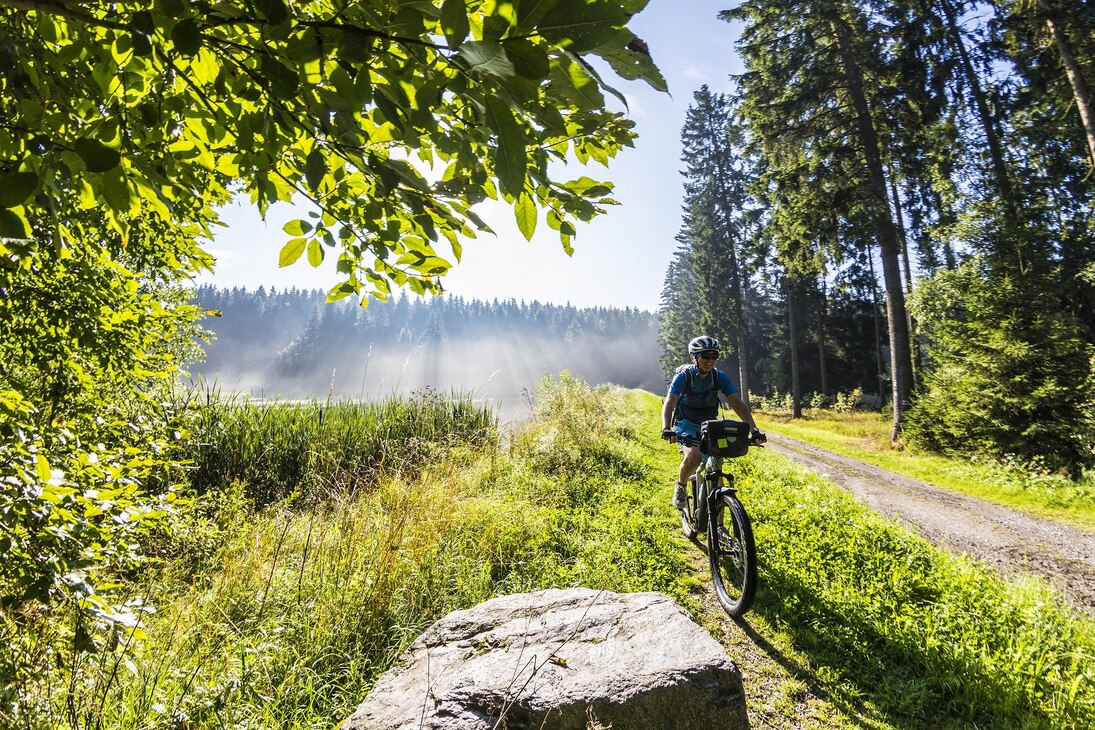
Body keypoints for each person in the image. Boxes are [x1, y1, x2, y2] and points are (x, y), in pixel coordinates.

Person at [661, 336, 765, 510]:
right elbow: (670, 403)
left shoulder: (719, 377)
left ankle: (719, 527)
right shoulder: (684, 377)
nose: (710, 360)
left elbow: (736, 402)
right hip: (685, 423)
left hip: (709, 424)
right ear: (695, 357)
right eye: (705, 356)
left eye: (714, 356)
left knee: (716, 471)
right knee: (693, 456)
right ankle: (681, 486)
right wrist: (666, 428)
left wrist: (754, 429)